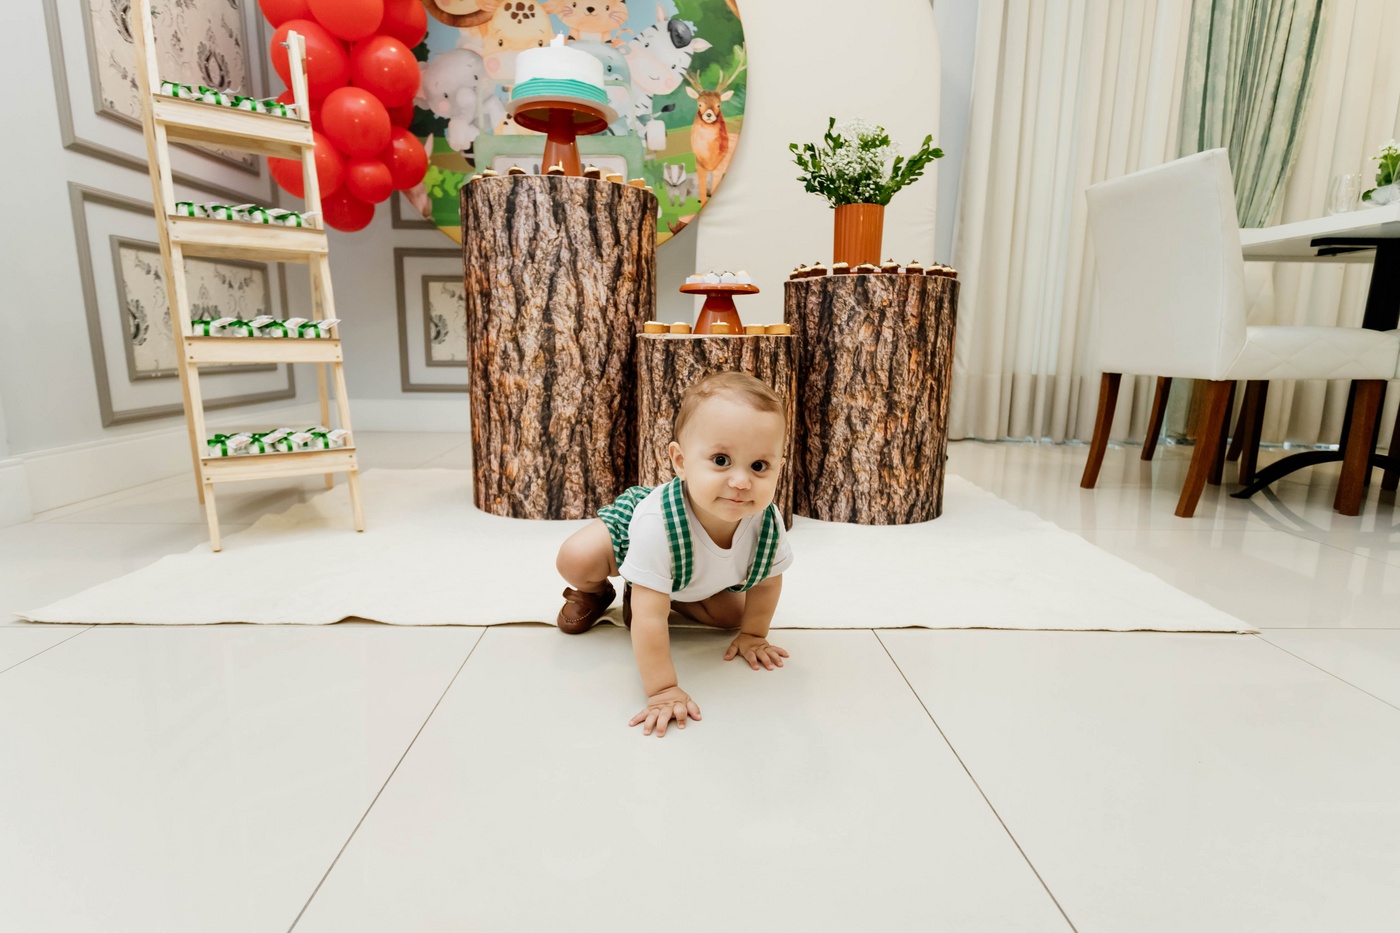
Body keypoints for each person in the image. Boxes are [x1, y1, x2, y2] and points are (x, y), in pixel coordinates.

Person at [554, 371, 794, 738]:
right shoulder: (656, 523)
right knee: (575, 558)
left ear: (779, 467)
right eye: (721, 460)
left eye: (759, 466)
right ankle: (598, 591)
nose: (741, 482)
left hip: (688, 571)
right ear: (680, 461)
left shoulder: (767, 521)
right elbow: (650, 620)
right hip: (631, 540)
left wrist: (753, 634)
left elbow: (767, 583)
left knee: (733, 615)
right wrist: (662, 689)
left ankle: (654, 589)